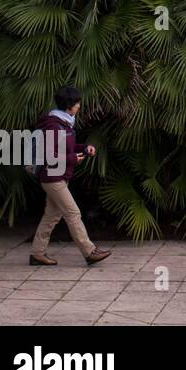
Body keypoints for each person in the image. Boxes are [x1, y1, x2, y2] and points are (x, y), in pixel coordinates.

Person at [29, 86, 111, 267]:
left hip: (59, 176)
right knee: (73, 213)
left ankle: (37, 253)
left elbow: (64, 148)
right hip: (52, 178)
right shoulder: (53, 125)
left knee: (51, 216)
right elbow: (50, 156)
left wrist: (83, 148)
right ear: (68, 105)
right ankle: (89, 252)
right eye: (77, 103)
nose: (79, 106)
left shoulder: (64, 122)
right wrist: (73, 158)